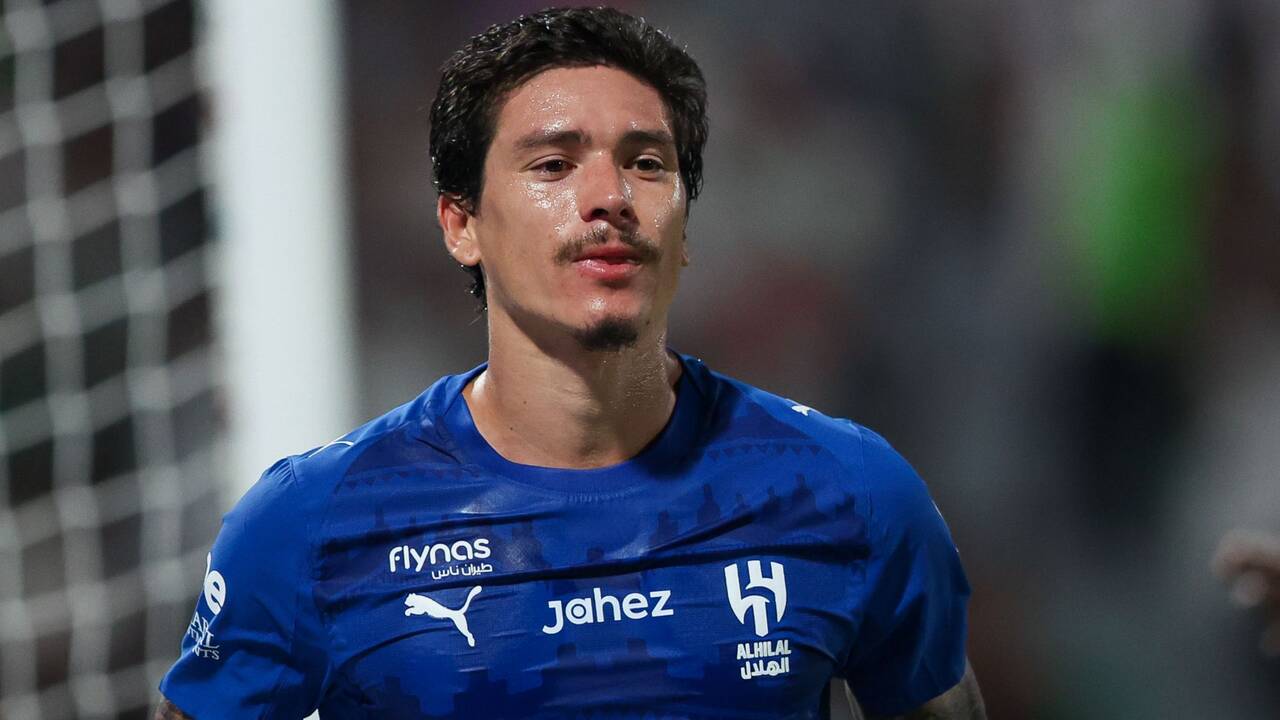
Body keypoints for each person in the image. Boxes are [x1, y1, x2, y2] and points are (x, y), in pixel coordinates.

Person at [155, 7, 985, 719]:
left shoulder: (849, 491)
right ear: (461, 225)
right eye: (553, 165)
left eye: (647, 164)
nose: (610, 197)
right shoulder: (314, 523)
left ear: (686, 226)